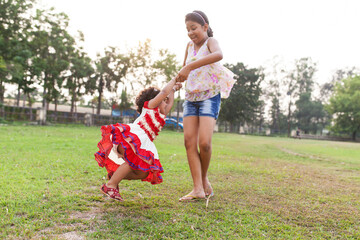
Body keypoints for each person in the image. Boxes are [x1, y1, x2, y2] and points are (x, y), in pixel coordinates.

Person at [176, 10, 235, 202]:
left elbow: (219, 55)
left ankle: (203, 180)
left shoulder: (210, 42)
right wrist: (177, 81)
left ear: (205, 27)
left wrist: (190, 67)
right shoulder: (188, 46)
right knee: (189, 142)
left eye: (194, 28)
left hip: (210, 96)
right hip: (191, 98)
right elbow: (184, 70)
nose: (191, 32)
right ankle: (198, 189)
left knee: (205, 143)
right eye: (187, 29)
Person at [94, 78, 182, 201]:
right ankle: (110, 185)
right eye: (163, 101)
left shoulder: (162, 114)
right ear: (155, 100)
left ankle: (115, 175)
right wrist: (173, 80)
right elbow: (163, 93)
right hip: (131, 138)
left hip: (142, 143)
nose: (165, 102)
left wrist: (173, 90)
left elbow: (170, 103)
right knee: (134, 161)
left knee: (143, 172)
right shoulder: (150, 107)